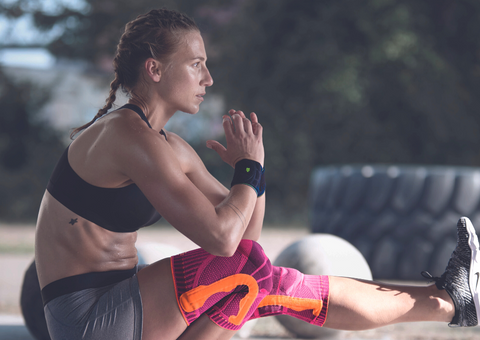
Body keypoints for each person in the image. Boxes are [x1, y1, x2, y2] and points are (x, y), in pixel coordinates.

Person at [34, 8, 480, 340]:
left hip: (129, 309)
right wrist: (247, 171)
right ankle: (446, 301)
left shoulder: (169, 146)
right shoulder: (126, 137)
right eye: (195, 64)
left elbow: (247, 239)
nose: (208, 77)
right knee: (255, 277)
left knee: (257, 281)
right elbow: (225, 243)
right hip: (88, 320)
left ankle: (448, 300)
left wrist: (254, 171)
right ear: (154, 69)